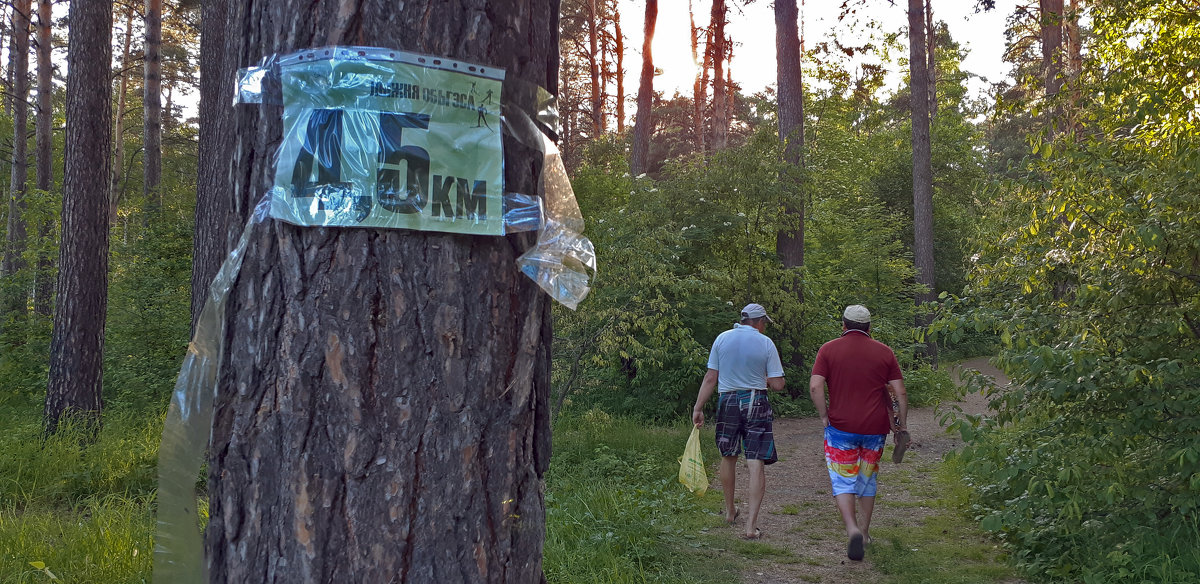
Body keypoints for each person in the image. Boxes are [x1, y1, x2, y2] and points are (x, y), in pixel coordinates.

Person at [808, 304, 908, 561]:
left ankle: (851, 528)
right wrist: (901, 425)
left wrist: (823, 415)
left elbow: (815, 387)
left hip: (840, 427)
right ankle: (864, 532)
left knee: (843, 480)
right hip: (875, 429)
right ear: (869, 327)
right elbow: (900, 392)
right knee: (867, 478)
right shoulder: (884, 352)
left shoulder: (828, 350)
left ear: (843, 325)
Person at [692, 303, 786, 540]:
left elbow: (711, 377)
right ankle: (750, 527)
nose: (765, 327)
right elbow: (778, 384)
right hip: (756, 400)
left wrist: (698, 407)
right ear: (759, 322)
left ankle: (730, 511)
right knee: (755, 461)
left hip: (728, 400)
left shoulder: (722, 339)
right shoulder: (765, 343)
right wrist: (764, 378)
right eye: (764, 323)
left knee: (728, 456)